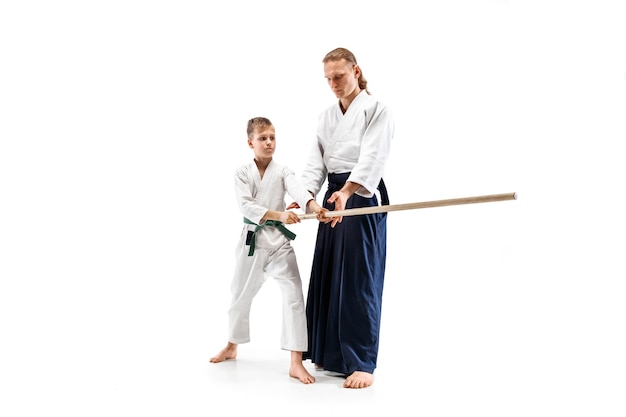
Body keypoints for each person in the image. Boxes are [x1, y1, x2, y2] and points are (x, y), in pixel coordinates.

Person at [292, 47, 394, 389]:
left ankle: (362, 361)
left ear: (356, 71)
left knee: (358, 277)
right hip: (332, 197)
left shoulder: (377, 110)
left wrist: (347, 194)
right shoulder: (325, 116)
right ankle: (331, 354)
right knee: (329, 272)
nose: (333, 84)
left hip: (360, 194)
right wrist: (305, 199)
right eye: (328, 79)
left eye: (339, 76)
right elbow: (314, 164)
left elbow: (372, 158)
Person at [210, 117, 327, 384]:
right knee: (239, 296)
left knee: (294, 298)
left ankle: (296, 362)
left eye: (272, 137)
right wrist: (280, 215)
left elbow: (298, 190)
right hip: (253, 244)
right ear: (250, 142)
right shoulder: (241, 173)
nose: (269, 142)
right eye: (263, 138)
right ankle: (232, 345)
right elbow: (247, 207)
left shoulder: (283, 171)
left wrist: (313, 206)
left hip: (280, 246)